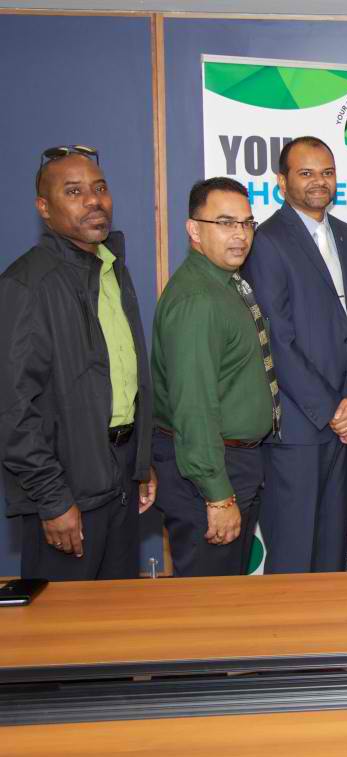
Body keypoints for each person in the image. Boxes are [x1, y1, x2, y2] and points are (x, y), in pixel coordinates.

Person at [0, 145, 155, 580]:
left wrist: (141, 463)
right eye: (73, 192)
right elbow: (13, 411)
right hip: (67, 492)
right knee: (66, 621)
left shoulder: (112, 269)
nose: (93, 200)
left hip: (121, 480)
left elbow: (128, 379)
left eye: (100, 188)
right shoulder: (27, 284)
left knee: (118, 616)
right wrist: (52, 500)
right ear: (44, 208)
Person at [242, 136, 347, 573]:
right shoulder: (266, 241)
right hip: (297, 429)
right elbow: (276, 339)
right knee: (294, 559)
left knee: (332, 558)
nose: (319, 181)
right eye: (306, 173)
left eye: (327, 172)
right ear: (282, 182)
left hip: (346, 426)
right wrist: (332, 409)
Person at [152, 178, 278, 577]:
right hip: (209, 471)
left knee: (229, 598)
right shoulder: (199, 299)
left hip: (235, 462)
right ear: (194, 229)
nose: (240, 234)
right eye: (225, 223)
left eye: (246, 223)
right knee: (208, 601)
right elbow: (193, 406)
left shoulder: (227, 282)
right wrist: (218, 495)